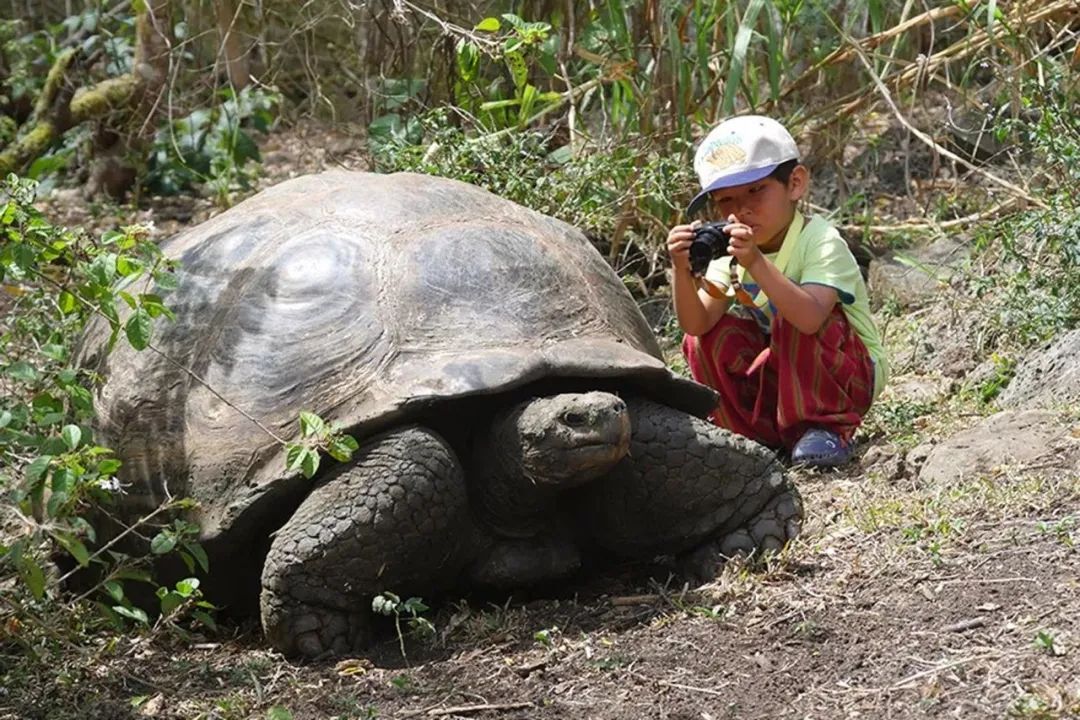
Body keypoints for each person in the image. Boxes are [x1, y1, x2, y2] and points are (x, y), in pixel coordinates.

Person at [667, 115, 888, 467]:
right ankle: (749, 437)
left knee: (793, 316)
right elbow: (697, 325)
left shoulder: (819, 240)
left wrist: (755, 262)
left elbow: (812, 317)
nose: (742, 209)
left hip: (847, 376)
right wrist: (681, 269)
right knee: (706, 340)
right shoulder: (732, 249)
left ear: (795, 183)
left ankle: (824, 429)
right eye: (726, 201)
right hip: (789, 378)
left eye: (756, 190)